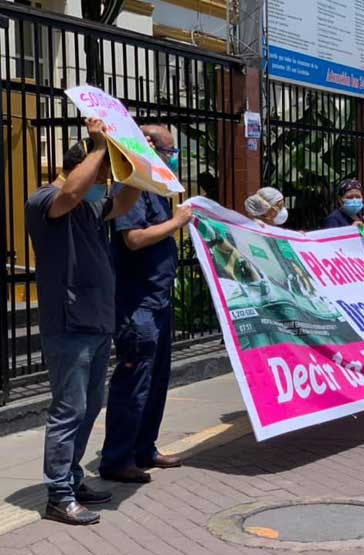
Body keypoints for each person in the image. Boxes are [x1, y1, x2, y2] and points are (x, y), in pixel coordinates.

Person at [25, 118, 142, 525]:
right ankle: (57, 494)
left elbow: (122, 204)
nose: (104, 184)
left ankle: (72, 480)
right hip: (69, 325)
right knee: (69, 409)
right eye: (102, 175)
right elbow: (73, 191)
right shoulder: (44, 201)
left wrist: (140, 168)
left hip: (97, 324)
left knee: (91, 406)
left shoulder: (92, 206)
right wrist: (98, 148)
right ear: (84, 167)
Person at [99, 125, 192, 485]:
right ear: (153, 150)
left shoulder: (157, 189)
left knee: (156, 380)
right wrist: (175, 223)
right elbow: (134, 239)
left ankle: (144, 448)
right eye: (170, 151)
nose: (173, 157)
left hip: (157, 300)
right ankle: (117, 458)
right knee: (134, 381)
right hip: (137, 303)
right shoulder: (130, 188)